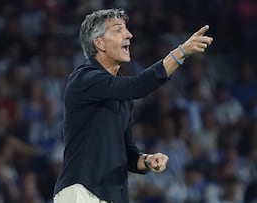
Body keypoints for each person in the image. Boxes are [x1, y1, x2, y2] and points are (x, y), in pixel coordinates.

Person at [53, 8, 213, 203]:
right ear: (99, 43)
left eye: (126, 30)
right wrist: (180, 53)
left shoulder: (123, 95)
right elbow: (139, 85)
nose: (129, 34)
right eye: (118, 30)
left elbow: (129, 154)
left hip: (114, 196)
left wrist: (146, 160)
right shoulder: (84, 78)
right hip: (81, 192)